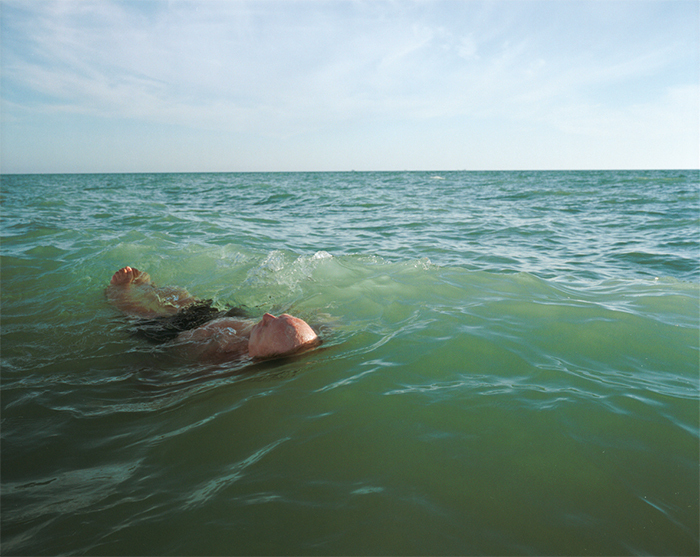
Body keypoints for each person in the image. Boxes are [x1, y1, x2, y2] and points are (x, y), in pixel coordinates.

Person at [107, 266, 319, 360]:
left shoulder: (231, 358)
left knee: (141, 315)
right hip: (220, 317)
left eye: (266, 327)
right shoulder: (280, 339)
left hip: (181, 332)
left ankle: (118, 292)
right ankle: (150, 287)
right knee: (183, 296)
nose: (266, 316)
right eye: (276, 318)